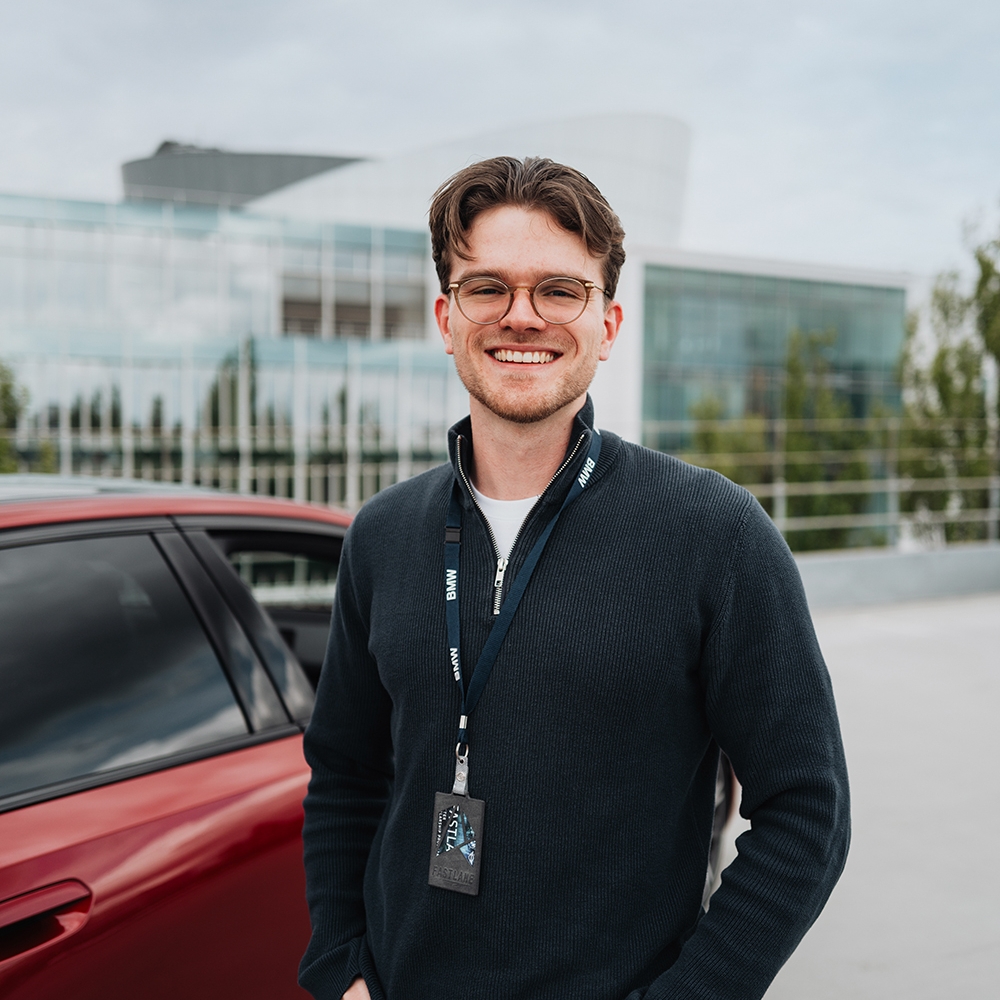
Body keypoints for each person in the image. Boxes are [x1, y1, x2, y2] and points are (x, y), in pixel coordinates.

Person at [299, 156, 850, 1000]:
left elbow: (808, 811)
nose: (523, 317)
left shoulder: (714, 533)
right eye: (488, 289)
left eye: (560, 290)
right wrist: (342, 966)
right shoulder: (382, 535)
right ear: (446, 318)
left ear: (609, 322)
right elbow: (344, 774)